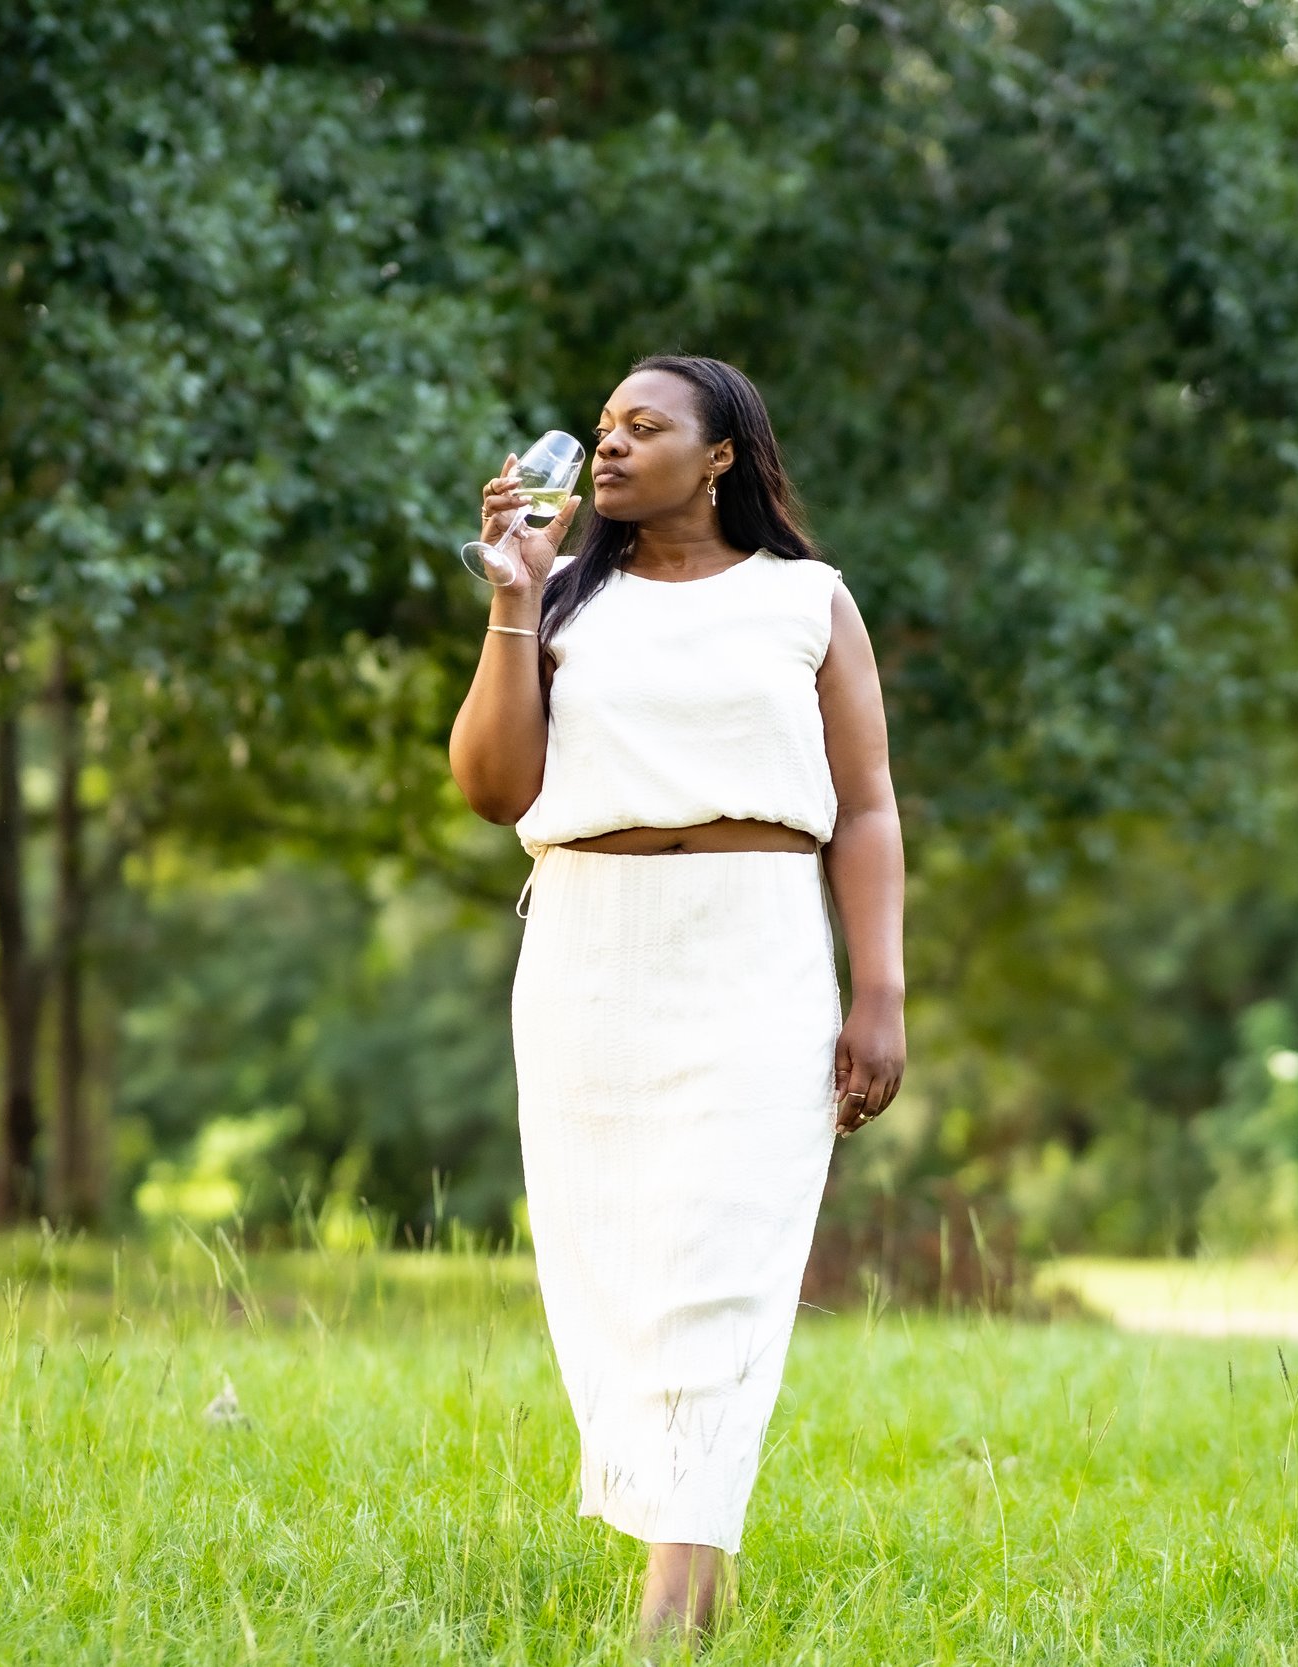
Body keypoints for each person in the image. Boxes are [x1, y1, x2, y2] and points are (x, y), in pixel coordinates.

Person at [447, 354, 907, 1649]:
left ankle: (673, 1610)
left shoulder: (807, 601)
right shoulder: (568, 601)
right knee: (613, 1274)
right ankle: (677, 1541)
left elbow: (866, 806)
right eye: (602, 428)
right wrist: (514, 604)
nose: (610, 446)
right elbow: (493, 791)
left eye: (645, 428)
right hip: (591, 947)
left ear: (721, 457)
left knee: (725, 1266)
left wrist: (881, 988)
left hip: (757, 947)